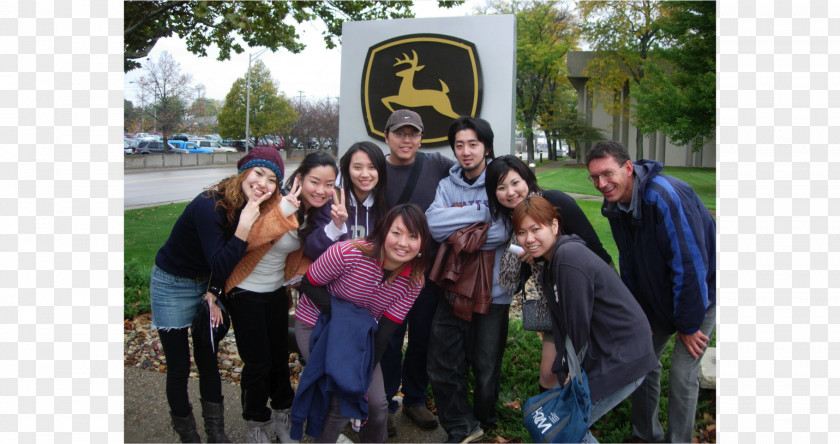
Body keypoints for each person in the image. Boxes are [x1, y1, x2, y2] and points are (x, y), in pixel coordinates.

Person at [149, 148, 283, 443]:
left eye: (272, 180)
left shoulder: (253, 206)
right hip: (172, 283)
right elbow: (221, 262)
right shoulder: (210, 205)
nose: (263, 183)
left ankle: (216, 433)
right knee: (180, 366)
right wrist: (244, 226)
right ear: (243, 172)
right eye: (258, 173)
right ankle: (188, 436)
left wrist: (213, 290)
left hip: (207, 284)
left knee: (208, 358)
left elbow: (223, 267)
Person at [585, 141, 716, 443]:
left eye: (607, 174)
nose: (601, 184)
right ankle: (645, 435)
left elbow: (689, 264)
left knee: (683, 376)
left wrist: (688, 324)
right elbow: (629, 263)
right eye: (594, 178)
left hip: (698, 297)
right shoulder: (614, 206)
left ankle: (678, 440)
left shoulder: (665, 197)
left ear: (628, 168)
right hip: (656, 300)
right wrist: (636, 313)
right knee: (640, 363)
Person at [512, 196, 659, 443]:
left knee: (568, 426)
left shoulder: (568, 257)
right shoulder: (552, 261)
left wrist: (574, 370)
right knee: (565, 426)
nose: (529, 239)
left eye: (536, 229)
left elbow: (577, 321)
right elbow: (564, 324)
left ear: (555, 226)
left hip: (622, 355)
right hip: (606, 351)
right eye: (521, 232)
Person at [291, 204, 431, 443]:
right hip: (316, 324)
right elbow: (308, 283)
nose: (403, 243)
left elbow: (386, 330)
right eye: (396, 233)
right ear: (383, 231)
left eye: (413, 236)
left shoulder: (414, 281)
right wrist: (347, 315)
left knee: (377, 404)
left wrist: (362, 371)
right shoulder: (348, 253)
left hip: (361, 337)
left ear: (422, 244)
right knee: (338, 397)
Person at [223, 149, 336, 443]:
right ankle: (256, 424)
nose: (321, 190)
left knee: (277, 359)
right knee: (257, 363)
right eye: (314, 182)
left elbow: (311, 255)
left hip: (275, 292)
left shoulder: (318, 212)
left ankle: (282, 417)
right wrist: (283, 211)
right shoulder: (272, 198)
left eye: (328, 184)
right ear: (299, 179)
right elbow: (247, 240)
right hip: (244, 290)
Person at [484, 155, 613, 393]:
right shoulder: (512, 219)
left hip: (585, 298)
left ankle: (577, 422)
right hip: (554, 304)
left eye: (515, 183)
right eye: (501, 188)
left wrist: (545, 253)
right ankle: (553, 424)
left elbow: (595, 250)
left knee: (585, 368)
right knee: (549, 373)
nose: (510, 192)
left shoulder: (554, 200)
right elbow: (514, 278)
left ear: (527, 179)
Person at [425, 116, 511, 443]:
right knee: (445, 364)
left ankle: (485, 422)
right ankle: (461, 426)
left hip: (495, 293)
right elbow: (434, 225)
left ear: (486, 147)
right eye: (459, 145)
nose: (465, 151)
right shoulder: (448, 185)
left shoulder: (501, 178)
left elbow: (504, 231)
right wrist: (484, 214)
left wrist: (457, 229)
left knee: (487, 368)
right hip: (452, 289)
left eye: (473, 144)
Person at [379, 109, 455, 435]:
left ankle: (414, 399)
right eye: (400, 133)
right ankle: (381, 402)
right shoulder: (375, 168)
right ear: (387, 136)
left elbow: (477, 174)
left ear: (421, 137)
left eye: (413, 133)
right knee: (388, 338)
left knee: (422, 337)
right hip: (388, 270)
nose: (406, 139)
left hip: (426, 268)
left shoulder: (436, 163)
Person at [303, 141, 388, 260]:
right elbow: (310, 251)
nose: (365, 174)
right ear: (347, 169)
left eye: (372, 167)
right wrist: (335, 226)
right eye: (357, 167)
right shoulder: (332, 202)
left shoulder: (384, 205)